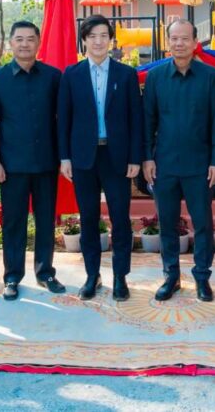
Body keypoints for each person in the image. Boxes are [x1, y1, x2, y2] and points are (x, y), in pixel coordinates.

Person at [59, 15, 144, 301]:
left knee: (120, 218)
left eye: (103, 36)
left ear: (110, 40)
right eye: (92, 36)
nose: (98, 41)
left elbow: (136, 119)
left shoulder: (126, 74)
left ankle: (120, 277)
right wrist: (65, 157)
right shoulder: (71, 74)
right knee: (88, 218)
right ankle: (92, 275)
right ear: (84, 40)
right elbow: (64, 119)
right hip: (83, 158)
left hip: (116, 157)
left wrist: (135, 157)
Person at [143, 19, 215, 302]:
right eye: (174, 38)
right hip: (163, 164)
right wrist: (147, 158)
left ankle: (202, 277)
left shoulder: (210, 76)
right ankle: (171, 277)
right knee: (167, 223)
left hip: (200, 166)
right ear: (168, 42)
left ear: (195, 42)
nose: (179, 43)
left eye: (184, 38)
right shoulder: (155, 77)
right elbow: (148, 121)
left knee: (203, 224)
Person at [0, 21, 64, 301]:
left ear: (38, 42)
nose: (25, 44)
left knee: (45, 221)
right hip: (11, 166)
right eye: (19, 39)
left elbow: (62, 119)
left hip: (46, 163)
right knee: (14, 223)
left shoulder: (53, 77)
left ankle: (46, 273)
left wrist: (64, 157)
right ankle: (12, 276)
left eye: (30, 39)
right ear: (11, 43)